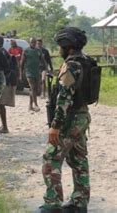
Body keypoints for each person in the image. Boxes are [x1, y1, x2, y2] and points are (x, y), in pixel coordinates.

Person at [39, 28, 91, 213]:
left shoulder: (71, 65)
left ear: (67, 47)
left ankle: (52, 204)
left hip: (69, 120)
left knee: (51, 158)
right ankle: (80, 202)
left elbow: (64, 98)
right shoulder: (85, 61)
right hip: (83, 116)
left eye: (60, 46)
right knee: (78, 159)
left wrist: (55, 126)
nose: (59, 50)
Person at [0, 36, 18, 134]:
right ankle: (3, 126)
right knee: (0, 103)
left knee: (0, 103)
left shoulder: (1, 52)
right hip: (7, 79)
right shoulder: (3, 52)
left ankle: (5, 127)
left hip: (7, 80)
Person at [20, 37, 43, 112]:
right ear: (29, 43)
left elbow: (43, 60)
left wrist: (47, 68)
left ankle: (30, 105)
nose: (33, 43)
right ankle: (36, 104)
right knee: (32, 87)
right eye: (32, 42)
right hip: (29, 72)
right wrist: (20, 74)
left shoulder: (38, 51)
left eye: (34, 42)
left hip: (36, 72)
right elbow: (22, 63)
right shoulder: (26, 51)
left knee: (35, 89)